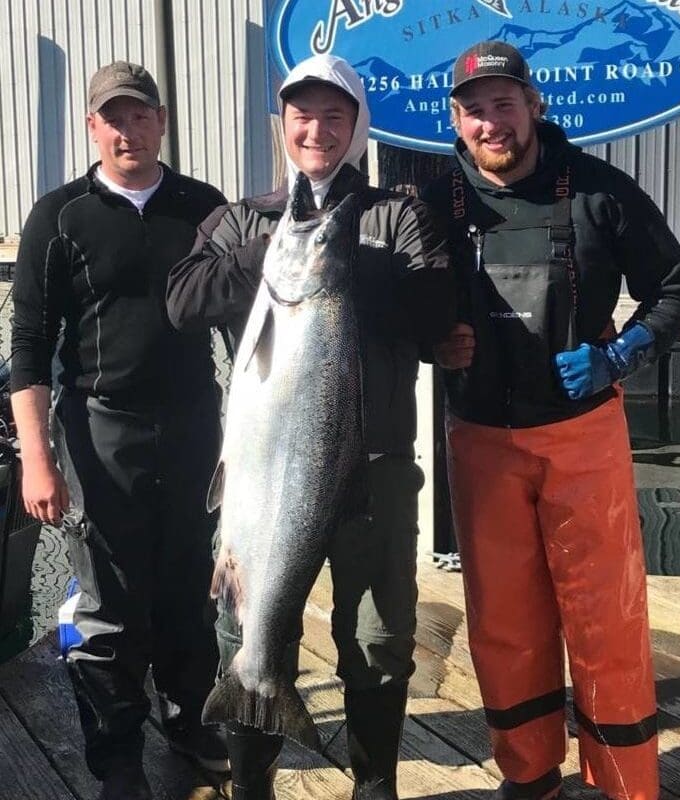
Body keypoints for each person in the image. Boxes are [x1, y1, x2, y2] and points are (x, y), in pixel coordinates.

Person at [422, 41, 680, 800]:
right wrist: (432, 341)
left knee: (604, 618)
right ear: (456, 118)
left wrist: (623, 357)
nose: (492, 122)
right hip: (478, 437)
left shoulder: (600, 191)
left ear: (535, 105)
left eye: (505, 103)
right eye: (476, 109)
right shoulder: (435, 202)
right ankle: (529, 775)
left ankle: (625, 783)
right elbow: (395, 304)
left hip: (581, 435)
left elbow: (679, 289)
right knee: (503, 621)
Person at [166, 54, 454, 800]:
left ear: (357, 126)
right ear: (284, 124)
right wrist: (271, 252)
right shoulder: (243, 219)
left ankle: (374, 785)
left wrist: (347, 262)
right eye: (303, 114)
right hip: (264, 470)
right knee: (251, 626)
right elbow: (184, 300)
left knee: (379, 637)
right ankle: (253, 782)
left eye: (335, 115)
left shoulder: (400, 213)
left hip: (377, 465)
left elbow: (436, 315)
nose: (317, 129)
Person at [10, 61, 230, 800]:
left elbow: (248, 330)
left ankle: (190, 719)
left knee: (189, 585)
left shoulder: (204, 207)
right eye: (113, 117)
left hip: (197, 424)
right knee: (106, 599)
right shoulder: (60, 215)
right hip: (100, 429)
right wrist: (38, 459)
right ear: (92, 127)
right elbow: (30, 345)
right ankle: (117, 754)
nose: (127, 130)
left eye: (140, 116)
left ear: (162, 122)